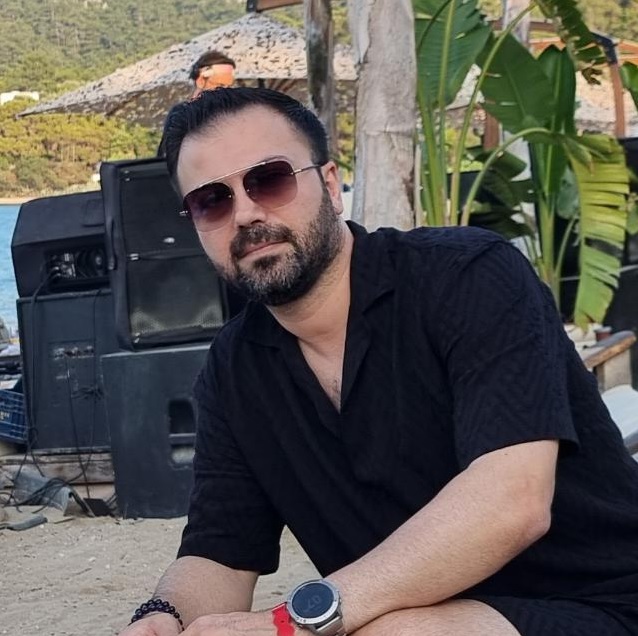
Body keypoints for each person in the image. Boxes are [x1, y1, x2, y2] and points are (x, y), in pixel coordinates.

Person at [121, 87, 638, 636]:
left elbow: (513, 500)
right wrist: (163, 616)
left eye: (269, 179)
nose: (246, 213)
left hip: (605, 602)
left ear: (330, 186)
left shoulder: (466, 277)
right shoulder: (234, 372)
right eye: (212, 201)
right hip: (421, 616)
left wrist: (293, 621)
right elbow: (220, 552)